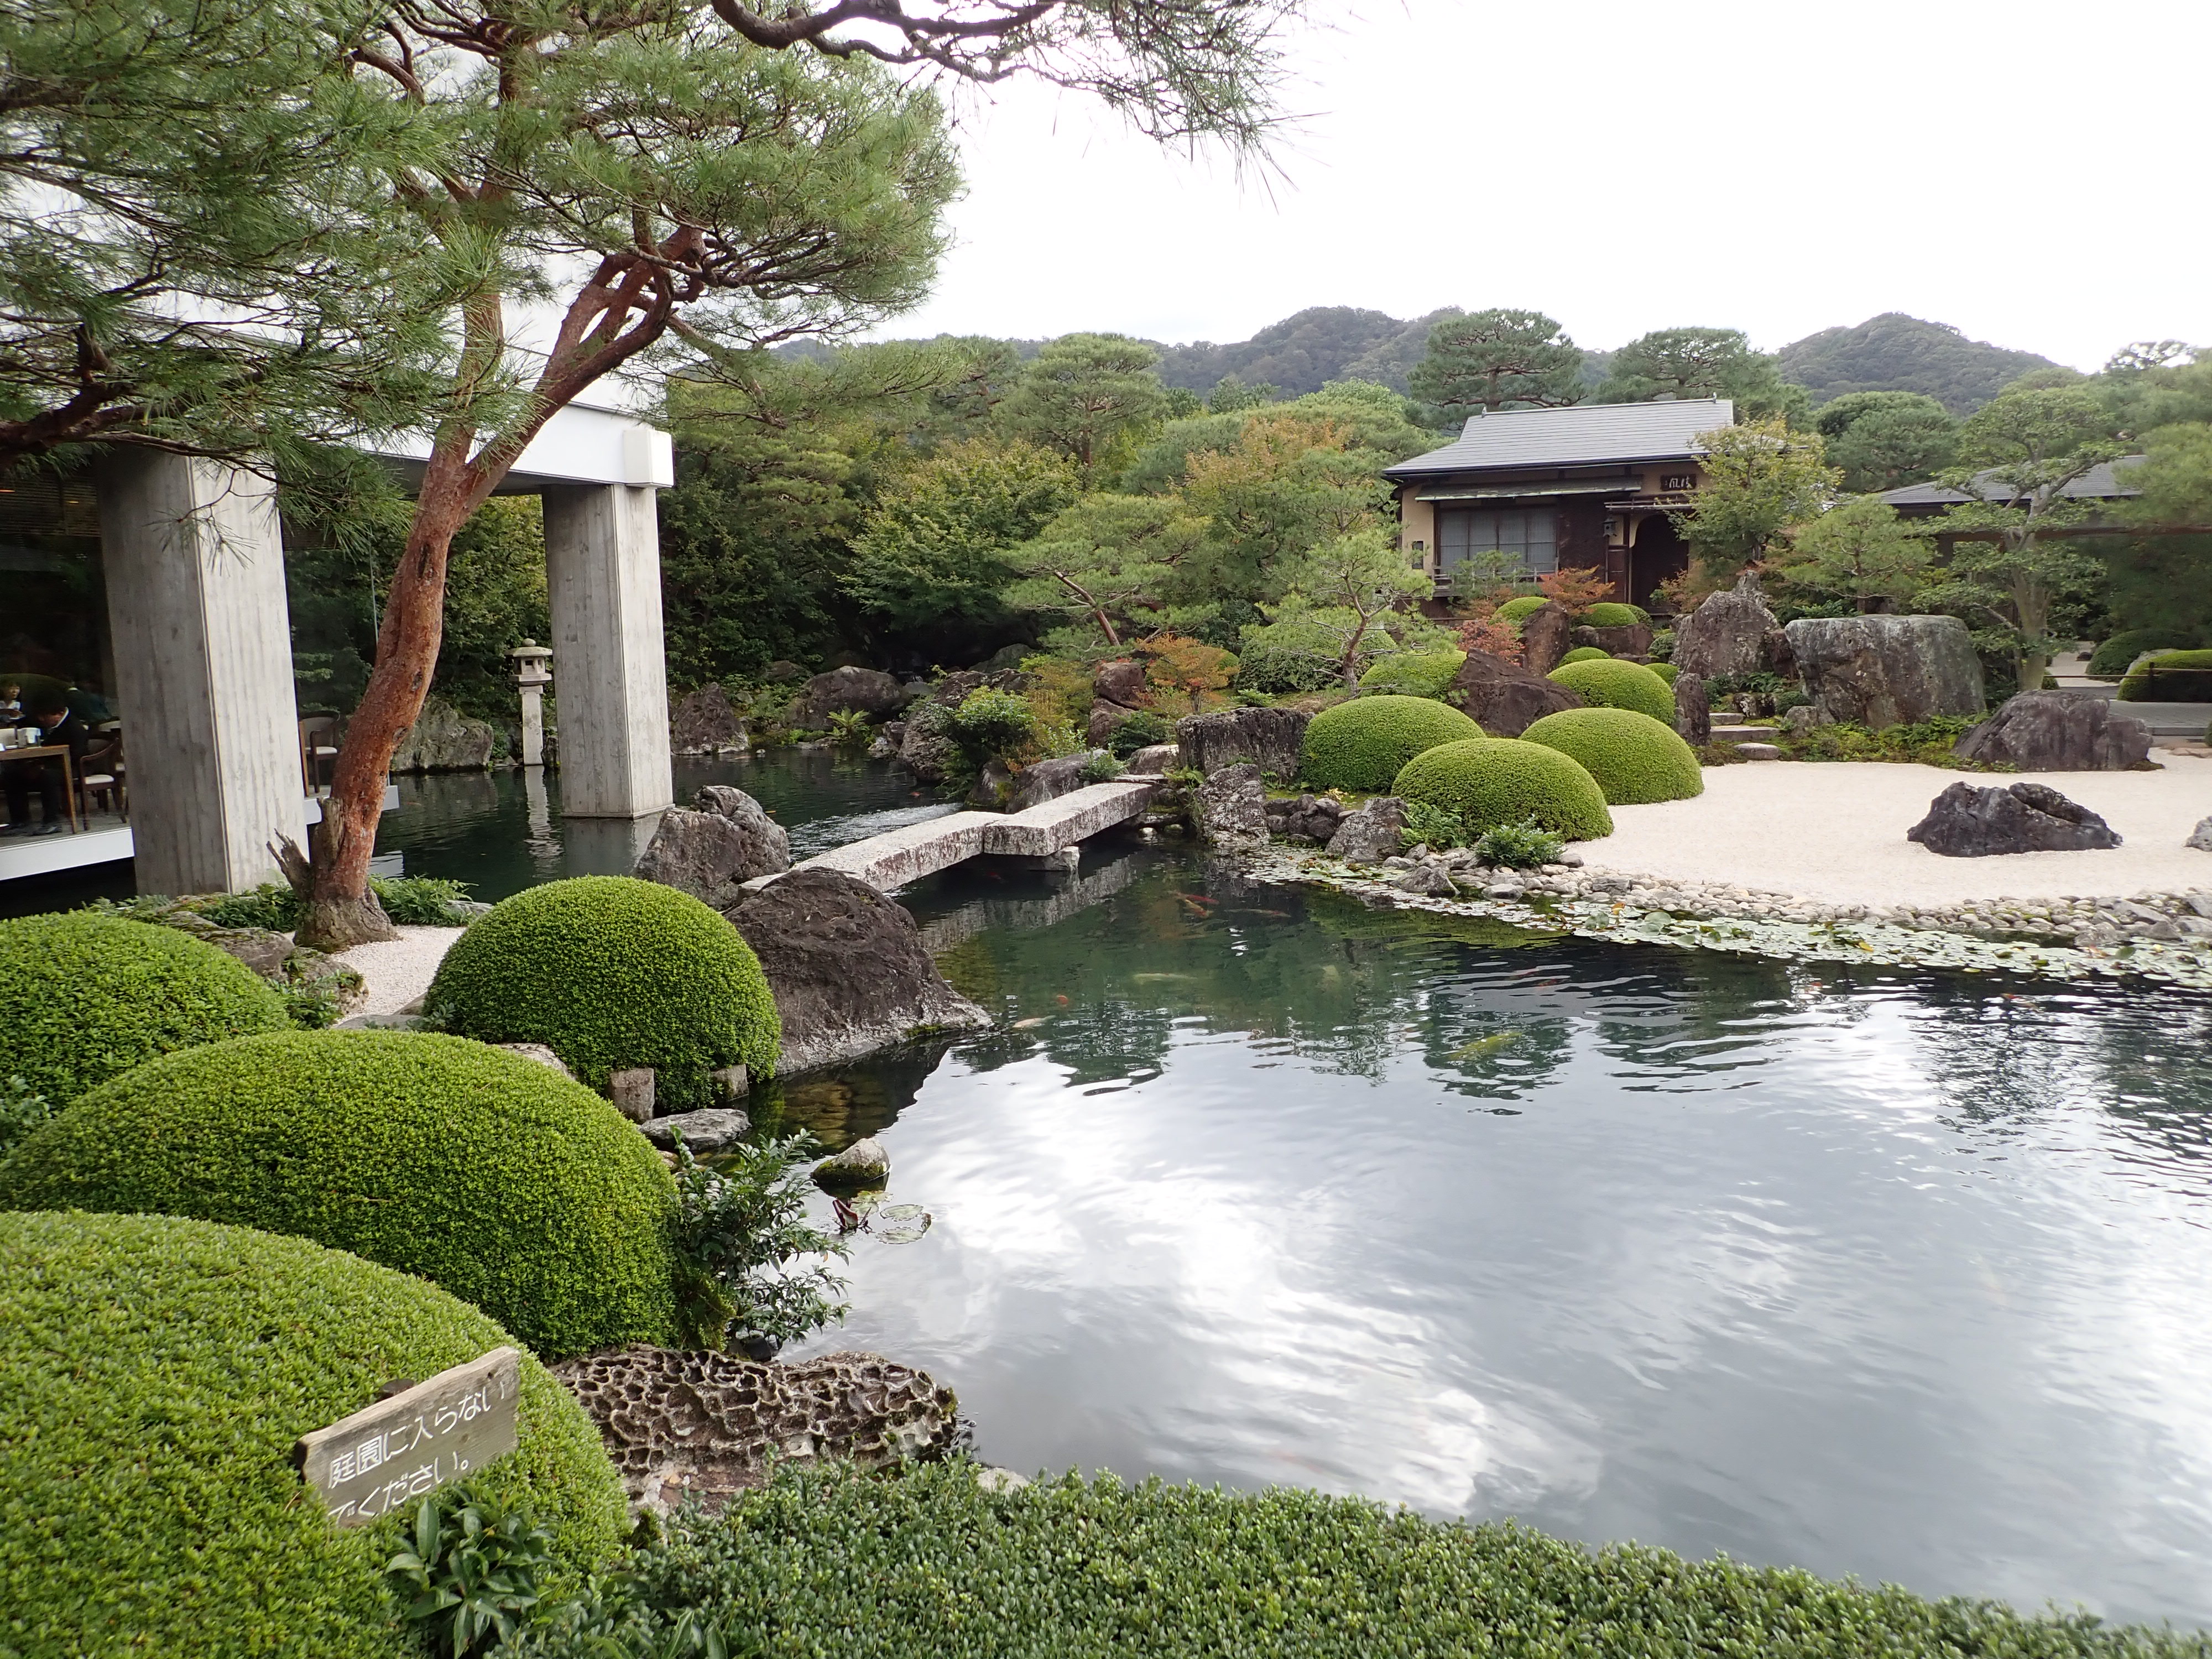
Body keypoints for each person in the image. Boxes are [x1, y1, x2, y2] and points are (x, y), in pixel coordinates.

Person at [2, 691, 91, 835]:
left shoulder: (74, 728)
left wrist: (43, 766)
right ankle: (20, 821)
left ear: (59, 714)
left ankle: (52, 821)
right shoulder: (50, 726)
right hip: (49, 764)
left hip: (72, 767)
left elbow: (76, 755)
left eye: (45, 717)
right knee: (13, 775)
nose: (41, 720)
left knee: (47, 777)